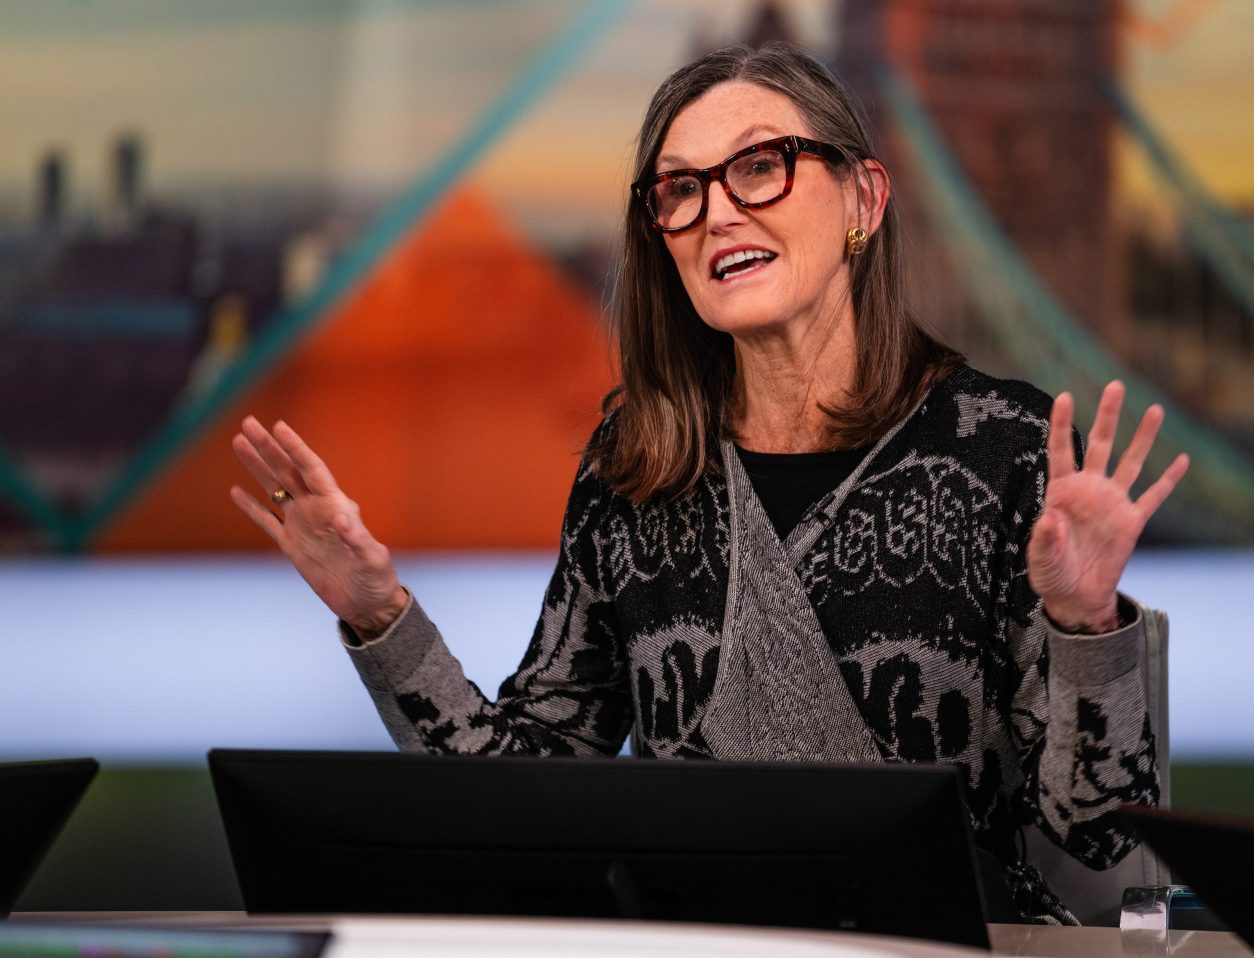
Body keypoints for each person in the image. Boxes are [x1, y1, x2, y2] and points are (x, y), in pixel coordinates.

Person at [229, 43, 1188, 924]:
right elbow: (520, 795)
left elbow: (1094, 835)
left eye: (760, 167)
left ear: (864, 199)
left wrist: (1084, 625)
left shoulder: (1001, 448)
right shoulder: (634, 470)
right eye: (679, 190)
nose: (718, 210)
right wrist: (379, 616)